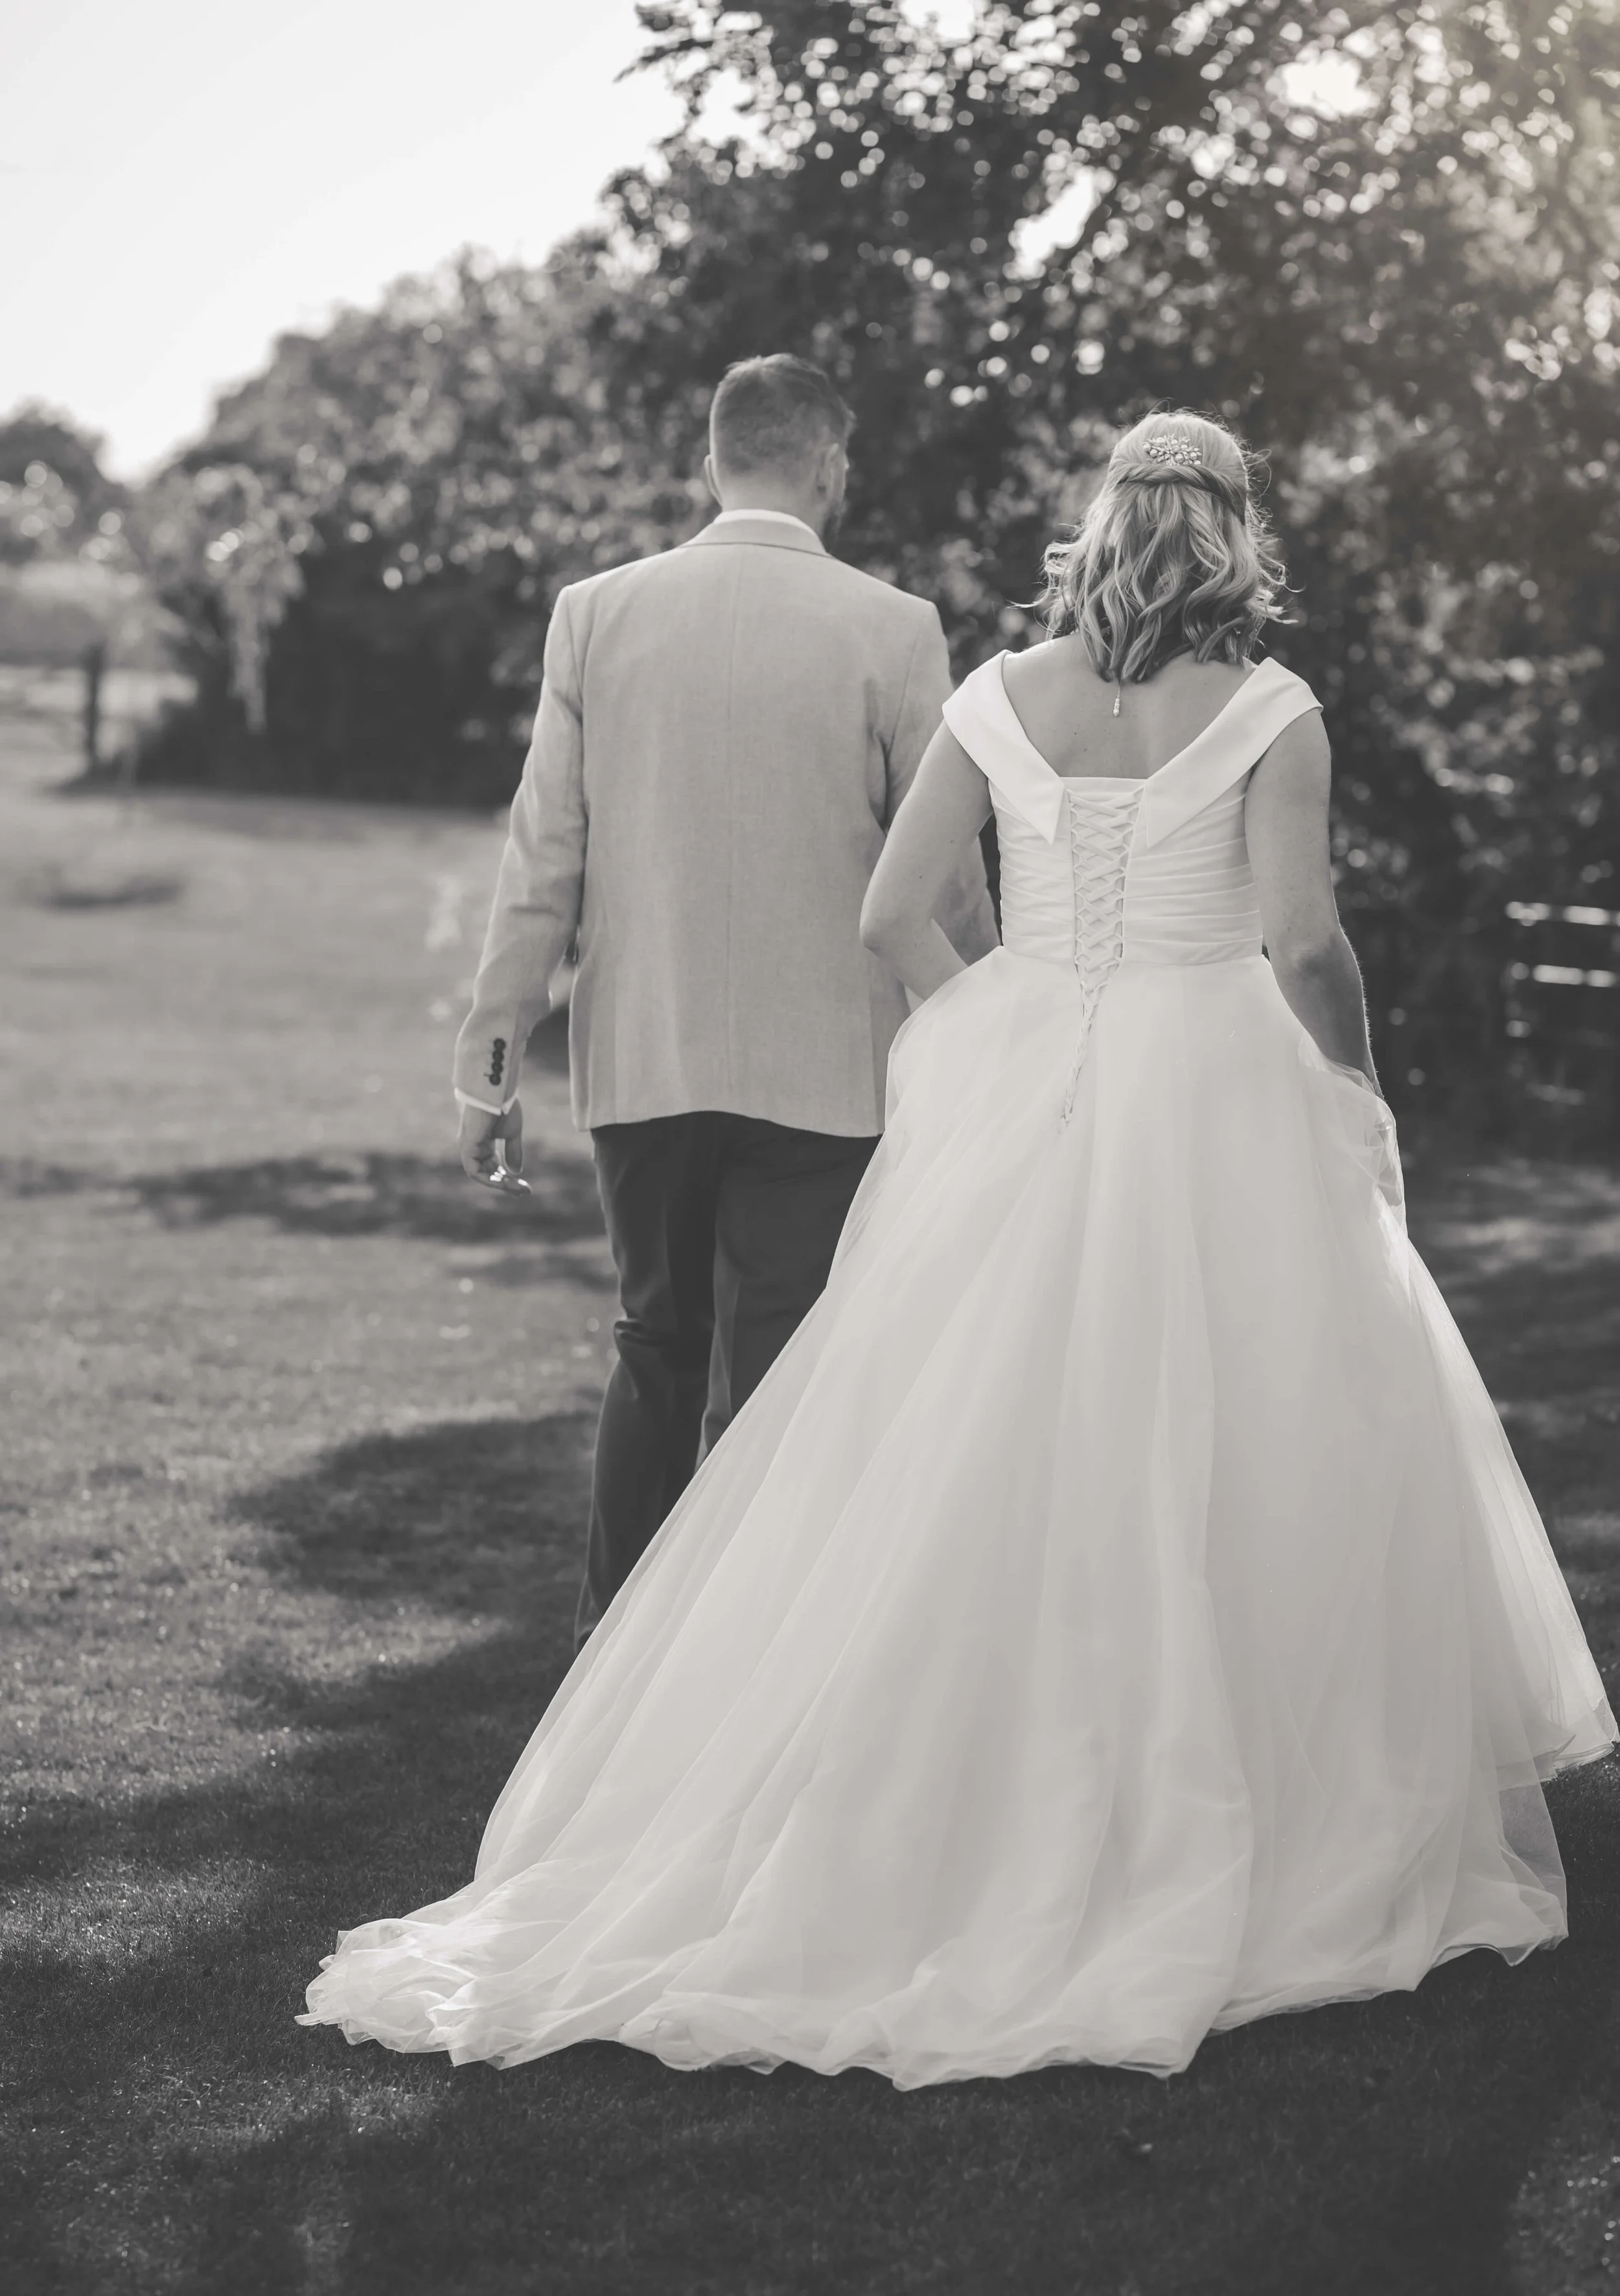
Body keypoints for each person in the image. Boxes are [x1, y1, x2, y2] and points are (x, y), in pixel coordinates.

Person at [303, 409, 1613, 2086]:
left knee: (975, 1431)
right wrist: (1355, 1080)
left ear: (1103, 525)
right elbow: (1299, 938)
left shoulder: (999, 697)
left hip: (1036, 1086)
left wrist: (1004, 1023)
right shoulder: (1273, 712)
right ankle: (1236, 1790)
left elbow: (890, 913)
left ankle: (962, 1780)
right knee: (1259, 1415)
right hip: (1215, 1085)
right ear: (1229, 535)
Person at [450, 354, 995, 1647]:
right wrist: (993, 1025)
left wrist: (489, 1058)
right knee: (775, 1373)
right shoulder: (893, 625)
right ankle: (740, 1673)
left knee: (653, 1343)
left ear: (712, 459)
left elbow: (543, 856)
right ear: (825, 464)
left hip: (646, 1052)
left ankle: (612, 1657)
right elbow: (947, 879)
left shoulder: (594, 612)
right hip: (829, 1072)